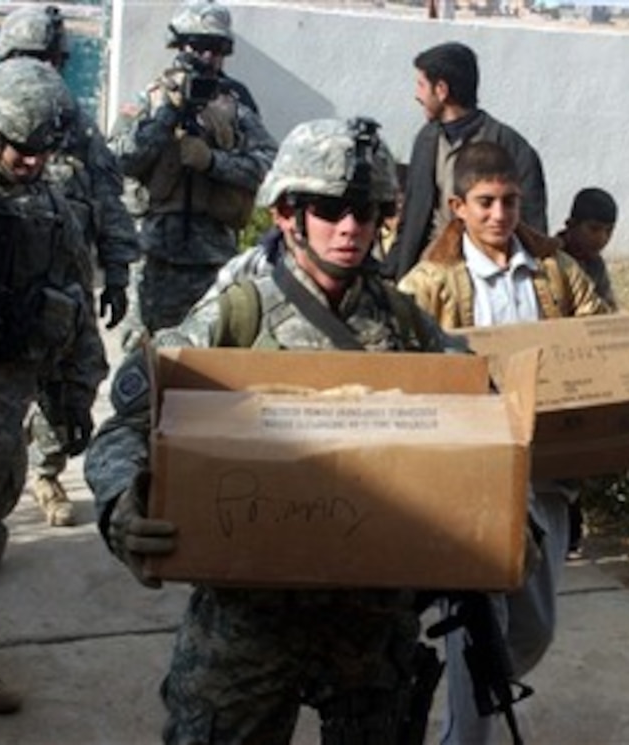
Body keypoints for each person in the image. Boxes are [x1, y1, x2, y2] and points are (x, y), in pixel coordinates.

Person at [84, 117, 457, 744]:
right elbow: (125, 428)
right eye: (331, 208)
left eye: (365, 210)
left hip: (369, 622)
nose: (351, 227)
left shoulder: (405, 326)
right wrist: (122, 505)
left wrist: (511, 516)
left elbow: (484, 423)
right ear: (287, 214)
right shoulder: (236, 314)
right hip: (249, 620)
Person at [398, 140, 609, 745]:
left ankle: (475, 703)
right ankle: (467, 737)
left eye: (510, 201)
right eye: (485, 202)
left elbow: (603, 340)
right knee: (476, 626)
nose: (499, 215)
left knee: (533, 626)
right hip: (470, 479)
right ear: (457, 205)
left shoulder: (556, 270)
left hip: (544, 473)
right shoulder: (428, 283)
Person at [0, 57, 108, 714]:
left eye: (43, 150)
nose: (30, 161)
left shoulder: (53, 213)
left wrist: (73, 398)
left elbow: (75, 305)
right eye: (20, 147)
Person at [0, 3, 141, 527]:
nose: (43, 70)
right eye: (31, 58)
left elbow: (108, 199)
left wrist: (118, 271)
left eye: (52, 59)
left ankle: (47, 470)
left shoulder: (77, 130)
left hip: (62, 282)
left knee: (73, 384)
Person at [109, 0, 276, 350]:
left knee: (207, 363)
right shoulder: (154, 98)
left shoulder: (235, 104)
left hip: (212, 259)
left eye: (215, 48)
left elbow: (268, 165)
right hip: (155, 257)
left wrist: (212, 162)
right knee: (140, 358)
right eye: (197, 46)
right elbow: (120, 160)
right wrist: (166, 117)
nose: (206, 56)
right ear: (179, 47)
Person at [388, 41, 547, 281]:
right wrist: (392, 272)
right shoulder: (426, 140)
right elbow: (411, 220)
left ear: (441, 90)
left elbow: (532, 230)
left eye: (421, 84)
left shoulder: (513, 149)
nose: (417, 94)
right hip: (432, 277)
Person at [553, 186, 619, 558]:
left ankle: (572, 531)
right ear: (572, 224)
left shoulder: (596, 265)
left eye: (609, 231)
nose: (602, 239)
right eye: (594, 229)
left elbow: (606, 313)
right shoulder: (552, 257)